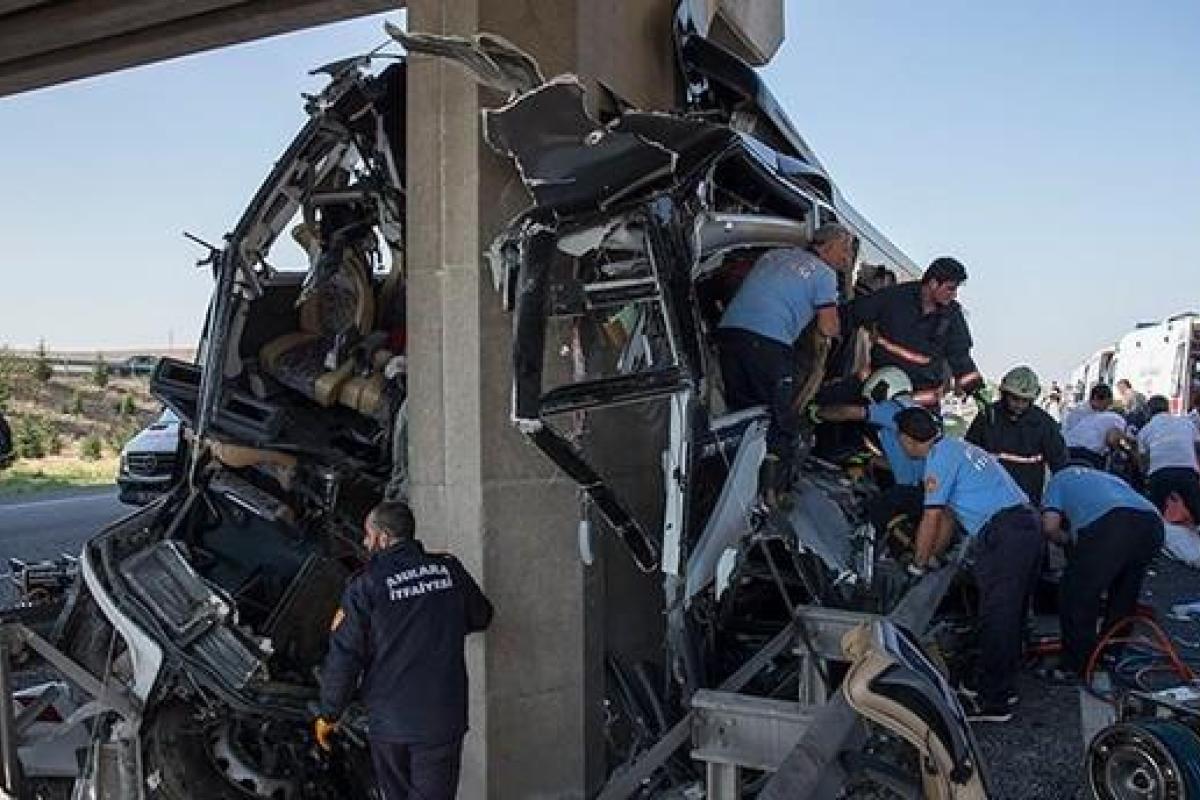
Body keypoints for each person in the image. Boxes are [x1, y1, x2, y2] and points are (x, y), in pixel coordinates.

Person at [315, 501, 493, 800]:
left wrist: (329, 713)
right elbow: (482, 617)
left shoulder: (365, 585)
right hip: (442, 716)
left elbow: (345, 656)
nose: (364, 542)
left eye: (367, 535)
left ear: (383, 538)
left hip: (391, 721)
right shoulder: (448, 569)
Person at [896, 407, 1040, 723]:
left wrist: (918, 565)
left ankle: (994, 703)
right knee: (1009, 614)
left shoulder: (938, 459)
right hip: (1025, 526)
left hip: (1005, 534)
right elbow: (947, 516)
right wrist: (935, 555)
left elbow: (931, 517)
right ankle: (1001, 686)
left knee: (997, 617)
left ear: (907, 439)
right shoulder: (957, 447)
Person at [717, 222, 855, 504]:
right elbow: (828, 329)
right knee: (779, 421)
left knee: (741, 412)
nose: (847, 256)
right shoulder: (824, 275)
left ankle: (725, 481)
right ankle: (767, 497)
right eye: (845, 248)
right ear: (827, 245)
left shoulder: (775, 255)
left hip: (730, 334)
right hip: (769, 343)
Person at [1040, 466, 1163, 681]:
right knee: (1123, 593)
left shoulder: (1058, 480)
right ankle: (1111, 654)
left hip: (1112, 524)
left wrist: (1067, 539)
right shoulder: (1109, 478)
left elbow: (1050, 527)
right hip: (1152, 523)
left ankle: (1075, 666)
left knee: (1076, 593)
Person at [843, 256, 983, 408]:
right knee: (832, 406)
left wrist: (976, 390)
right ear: (933, 283)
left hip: (918, 404)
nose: (954, 295)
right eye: (950, 288)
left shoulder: (953, 316)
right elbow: (852, 314)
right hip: (876, 387)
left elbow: (961, 357)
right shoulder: (895, 297)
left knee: (924, 430)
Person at [812, 366, 925, 535]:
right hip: (928, 491)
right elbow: (908, 464)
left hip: (910, 491)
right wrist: (870, 460)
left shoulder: (894, 409)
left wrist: (816, 413)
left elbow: (848, 412)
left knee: (866, 518)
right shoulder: (921, 414)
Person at [965, 366, 1068, 504]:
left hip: (1026, 502)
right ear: (1004, 394)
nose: (1019, 405)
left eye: (1024, 400)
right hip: (988, 499)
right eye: (1014, 398)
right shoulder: (987, 418)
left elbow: (1060, 465)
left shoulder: (1044, 424)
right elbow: (968, 455)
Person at [1137, 395, 1200, 524]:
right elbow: (1197, 447)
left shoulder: (1145, 430)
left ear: (1148, 411)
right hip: (1187, 471)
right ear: (1168, 408)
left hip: (1160, 473)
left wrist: (1146, 476)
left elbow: (1142, 461)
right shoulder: (1186, 422)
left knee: (1156, 511)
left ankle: (1157, 538)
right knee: (1196, 508)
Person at [1062, 384, 1129, 469]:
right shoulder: (1079, 412)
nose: (1107, 408)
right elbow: (1112, 439)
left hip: (1069, 450)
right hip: (1085, 454)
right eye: (1106, 404)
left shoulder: (1094, 414)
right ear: (1096, 398)